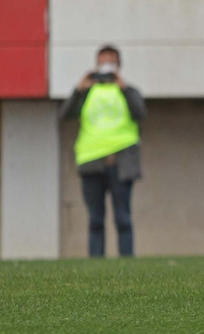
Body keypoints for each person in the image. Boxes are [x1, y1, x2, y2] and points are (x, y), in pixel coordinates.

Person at [59, 45, 145, 257]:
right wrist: (79, 89)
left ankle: (128, 264)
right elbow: (66, 114)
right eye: (103, 62)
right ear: (96, 64)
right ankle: (96, 266)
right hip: (91, 162)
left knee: (123, 218)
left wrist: (123, 88)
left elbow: (140, 113)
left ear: (119, 65)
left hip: (121, 163)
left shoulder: (128, 91)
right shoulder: (87, 92)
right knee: (95, 220)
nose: (106, 66)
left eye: (111, 62)